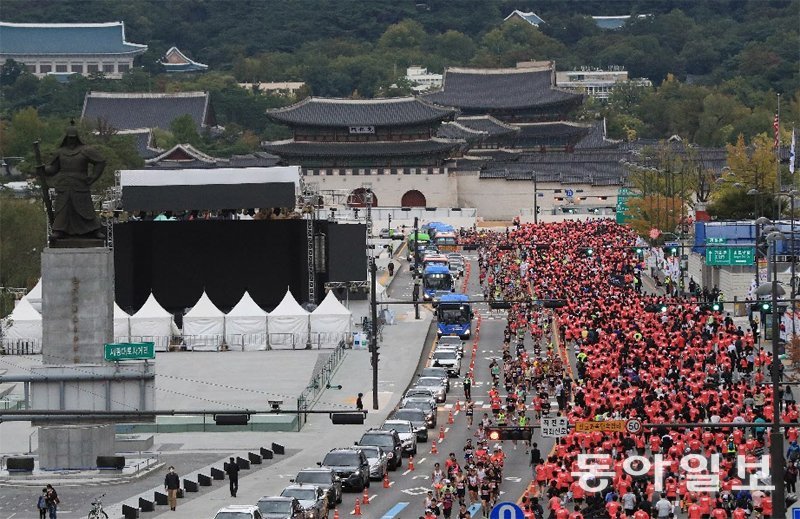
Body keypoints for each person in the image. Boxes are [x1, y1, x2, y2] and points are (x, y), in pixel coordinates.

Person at [41, 123, 107, 239]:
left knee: (85, 208)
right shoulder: (60, 152)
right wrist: (43, 169)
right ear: (65, 138)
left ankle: (93, 230)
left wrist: (94, 176)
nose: (71, 140)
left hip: (80, 184)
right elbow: (53, 169)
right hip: (64, 184)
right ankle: (59, 230)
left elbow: (100, 161)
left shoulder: (85, 150)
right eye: (69, 138)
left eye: (73, 138)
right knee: (63, 208)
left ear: (77, 138)